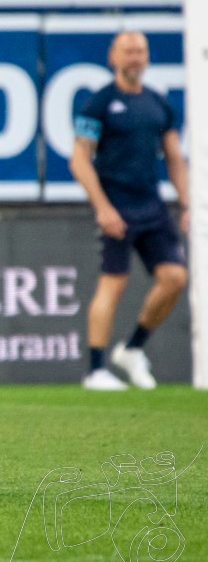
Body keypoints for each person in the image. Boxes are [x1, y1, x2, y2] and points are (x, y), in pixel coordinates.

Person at [69, 30, 189, 391]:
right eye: (128, 51)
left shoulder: (158, 103)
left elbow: (174, 158)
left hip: (152, 204)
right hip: (117, 206)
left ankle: (133, 347)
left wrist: (187, 202)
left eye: (140, 51)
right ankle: (95, 369)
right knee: (114, 282)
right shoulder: (100, 104)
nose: (135, 57)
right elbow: (79, 160)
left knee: (174, 277)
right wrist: (103, 207)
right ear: (113, 56)